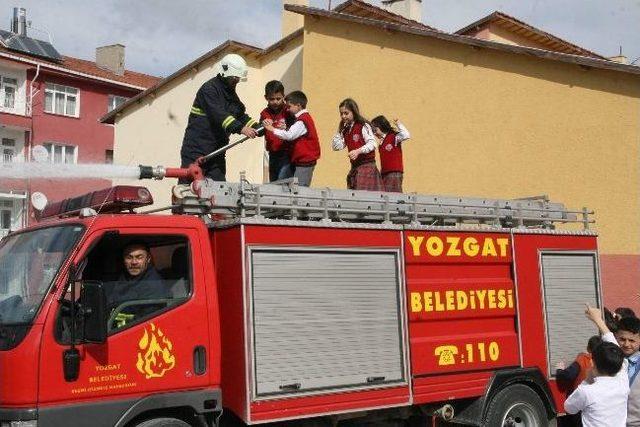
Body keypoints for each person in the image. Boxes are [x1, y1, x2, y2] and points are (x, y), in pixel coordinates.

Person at [179, 53, 260, 183]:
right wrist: (241, 128)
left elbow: (239, 114)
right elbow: (219, 115)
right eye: (234, 79)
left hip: (216, 152)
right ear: (224, 73)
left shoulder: (229, 93)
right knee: (189, 190)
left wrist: (258, 127)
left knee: (218, 190)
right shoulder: (209, 90)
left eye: (238, 79)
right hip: (196, 151)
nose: (237, 81)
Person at [564, 305, 629, 427]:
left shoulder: (586, 391)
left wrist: (587, 381)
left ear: (592, 362)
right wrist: (598, 320)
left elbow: (569, 408)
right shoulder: (623, 380)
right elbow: (615, 348)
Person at [105, 242, 171, 328]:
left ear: (148, 259)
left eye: (139, 257)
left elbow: (145, 322)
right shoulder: (122, 277)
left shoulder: (154, 285)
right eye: (129, 257)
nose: (134, 262)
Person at [261, 90, 320, 187]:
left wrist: (272, 129)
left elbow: (289, 135)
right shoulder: (302, 119)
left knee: (300, 188)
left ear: (298, 105)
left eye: (289, 106)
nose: (287, 109)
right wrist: (285, 128)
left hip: (305, 161)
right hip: (301, 161)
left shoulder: (302, 120)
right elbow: (293, 132)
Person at [332, 98, 383, 191]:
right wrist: (339, 131)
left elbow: (372, 143)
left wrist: (358, 151)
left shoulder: (363, 126)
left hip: (366, 168)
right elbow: (336, 147)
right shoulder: (346, 130)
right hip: (355, 168)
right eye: (341, 114)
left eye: (346, 113)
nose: (343, 116)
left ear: (353, 112)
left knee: (364, 198)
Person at [260, 80, 294, 182]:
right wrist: (262, 124)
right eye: (272, 99)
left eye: (278, 98)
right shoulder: (264, 113)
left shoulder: (288, 111)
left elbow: (296, 129)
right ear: (266, 98)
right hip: (273, 153)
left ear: (283, 96)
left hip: (287, 153)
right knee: (274, 182)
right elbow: (260, 132)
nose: (275, 102)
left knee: (283, 182)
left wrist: (287, 128)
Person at [370, 115, 411, 193]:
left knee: (393, 197)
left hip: (394, 172)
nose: (374, 133)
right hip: (385, 173)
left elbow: (406, 135)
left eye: (375, 130)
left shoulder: (393, 137)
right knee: (386, 196)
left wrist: (398, 124)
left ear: (382, 126)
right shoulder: (381, 143)